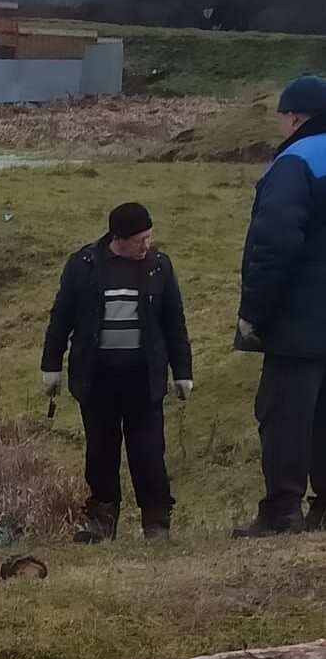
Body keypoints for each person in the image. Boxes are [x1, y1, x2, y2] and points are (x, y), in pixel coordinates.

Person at [41, 203, 193, 543]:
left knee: (148, 452)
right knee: (100, 450)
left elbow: (174, 322)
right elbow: (61, 317)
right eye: (140, 239)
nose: (147, 245)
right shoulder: (83, 265)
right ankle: (101, 522)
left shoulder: (160, 266)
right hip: (97, 379)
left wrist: (182, 371)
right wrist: (51, 365)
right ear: (118, 238)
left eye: (149, 237)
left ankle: (156, 523)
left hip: (143, 379)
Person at [233, 75, 326, 537]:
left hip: (299, 321)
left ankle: (282, 510)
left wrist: (254, 311)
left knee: (285, 414)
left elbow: (275, 244)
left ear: (294, 117)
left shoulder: (296, 161)